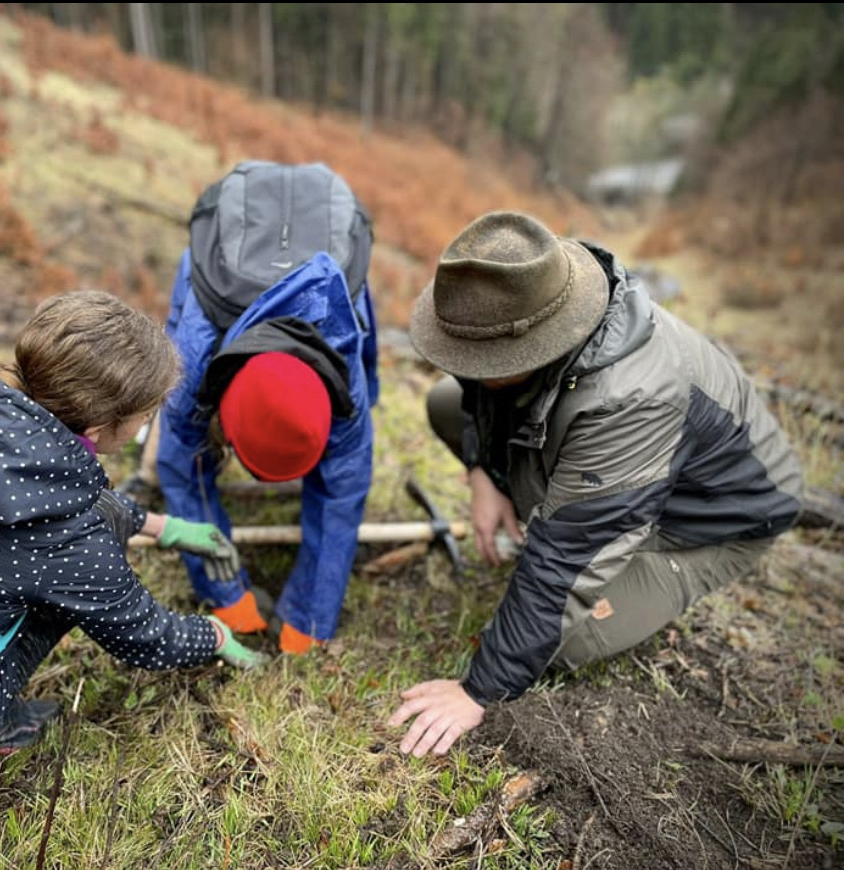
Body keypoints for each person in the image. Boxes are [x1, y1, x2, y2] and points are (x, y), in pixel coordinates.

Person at [389, 211, 803, 756]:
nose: (469, 366)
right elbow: (476, 387)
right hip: (621, 474)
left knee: (567, 637)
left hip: (705, 522)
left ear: (538, 342)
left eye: (484, 358)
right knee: (446, 402)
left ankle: (652, 573)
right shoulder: (530, 297)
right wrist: (482, 475)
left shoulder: (630, 397)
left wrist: (479, 690)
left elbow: (566, 560)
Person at [0, 290, 269, 775]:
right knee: (70, 595)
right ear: (104, 427)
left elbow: (68, 493)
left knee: (57, 568)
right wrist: (213, 635)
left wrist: (162, 527)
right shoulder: (68, 538)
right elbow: (147, 637)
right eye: (146, 415)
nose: (149, 423)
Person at [152, 160, 379, 655]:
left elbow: (343, 493)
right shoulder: (191, 366)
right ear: (223, 428)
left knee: (357, 313)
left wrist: (310, 622)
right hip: (224, 258)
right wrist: (225, 594)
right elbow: (181, 467)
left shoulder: (348, 398)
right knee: (174, 429)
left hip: (329, 240)